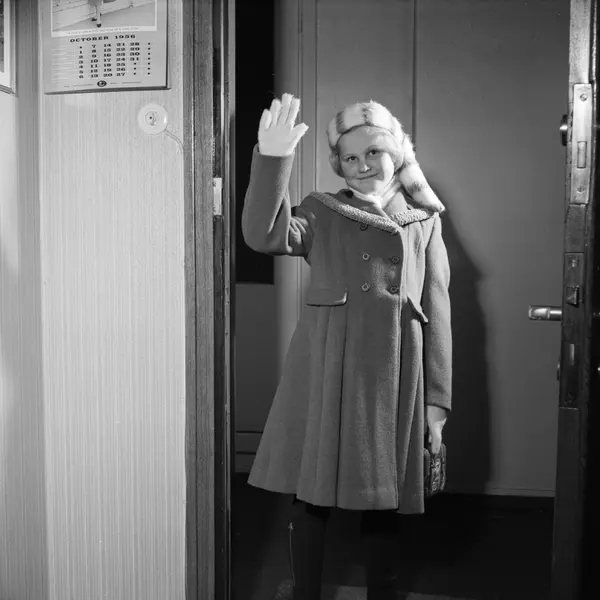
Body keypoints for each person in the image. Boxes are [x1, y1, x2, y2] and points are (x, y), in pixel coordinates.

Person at [242, 93, 452, 600]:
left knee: (385, 501)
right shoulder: (322, 210)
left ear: (397, 152)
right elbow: (262, 236)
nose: (363, 165)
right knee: (311, 495)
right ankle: (306, 591)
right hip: (329, 369)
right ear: (339, 163)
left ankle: (384, 592)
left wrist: (436, 403)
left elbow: (439, 309)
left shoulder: (424, 219)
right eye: (350, 157)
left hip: (396, 375)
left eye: (374, 152)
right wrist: (273, 157)